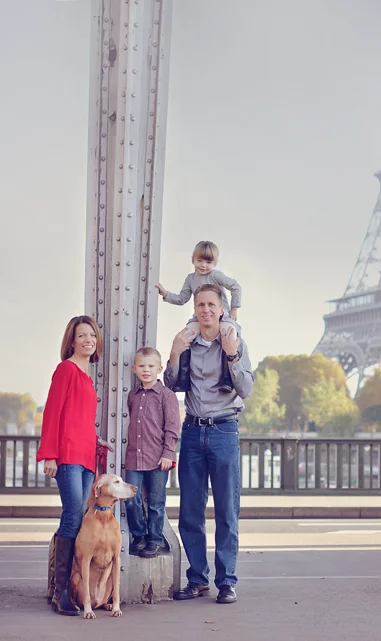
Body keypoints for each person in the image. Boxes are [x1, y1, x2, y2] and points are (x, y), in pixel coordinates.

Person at [165, 283, 254, 605]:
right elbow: (171, 384)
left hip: (224, 431)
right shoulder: (187, 342)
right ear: (195, 309)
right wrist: (174, 352)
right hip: (192, 431)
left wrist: (231, 354)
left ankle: (227, 581)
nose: (205, 309)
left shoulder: (235, 341)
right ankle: (198, 580)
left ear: (221, 309)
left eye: (211, 305)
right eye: (200, 304)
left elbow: (245, 388)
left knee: (227, 513)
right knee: (190, 512)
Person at [36, 315, 107, 617]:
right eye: (82, 336)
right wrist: (49, 455)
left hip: (86, 456)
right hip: (66, 457)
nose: (88, 340)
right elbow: (53, 413)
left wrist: (96, 441)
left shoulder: (88, 377)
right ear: (72, 341)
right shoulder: (65, 370)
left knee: (78, 518)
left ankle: (64, 588)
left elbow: (80, 419)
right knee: (72, 516)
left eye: (92, 335)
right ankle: (60, 592)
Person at [156, 241, 242, 393]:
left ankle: (227, 378)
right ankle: (183, 378)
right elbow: (183, 298)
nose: (203, 265)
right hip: (200, 318)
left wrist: (234, 309)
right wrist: (166, 294)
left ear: (214, 263)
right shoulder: (190, 279)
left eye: (208, 262)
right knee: (185, 336)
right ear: (193, 260)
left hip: (221, 317)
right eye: (200, 261)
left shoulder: (216, 275)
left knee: (229, 333)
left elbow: (236, 287)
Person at [124, 346, 180, 558]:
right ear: (134, 369)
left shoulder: (166, 396)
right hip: (134, 457)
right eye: (141, 366)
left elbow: (172, 427)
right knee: (131, 499)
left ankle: (154, 539)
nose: (146, 370)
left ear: (159, 368)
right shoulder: (133, 395)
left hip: (158, 459)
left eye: (150, 366)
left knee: (156, 502)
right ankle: (139, 536)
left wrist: (168, 453)